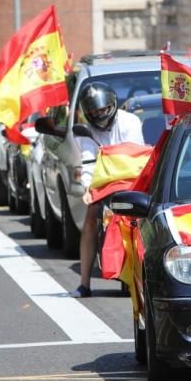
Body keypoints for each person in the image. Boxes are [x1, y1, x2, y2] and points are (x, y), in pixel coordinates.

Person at [71, 81, 144, 298]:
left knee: (139, 218)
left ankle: (140, 274)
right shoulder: (84, 131)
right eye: (94, 111)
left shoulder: (130, 121)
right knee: (90, 219)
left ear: (112, 105)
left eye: (103, 109)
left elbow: (133, 156)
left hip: (129, 177)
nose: (100, 114)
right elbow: (88, 163)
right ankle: (84, 283)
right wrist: (88, 189)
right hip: (101, 180)